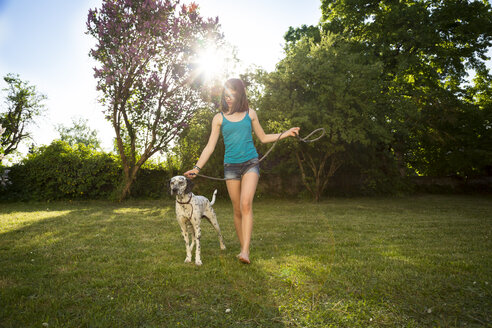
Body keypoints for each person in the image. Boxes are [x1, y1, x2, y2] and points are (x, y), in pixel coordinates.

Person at [184, 78, 300, 264]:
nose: (228, 98)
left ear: (239, 94)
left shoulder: (250, 114)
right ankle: (242, 248)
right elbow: (210, 147)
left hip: (250, 163)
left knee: (246, 204)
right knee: (237, 209)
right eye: (226, 95)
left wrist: (286, 133)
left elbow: (262, 137)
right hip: (230, 167)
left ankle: (245, 251)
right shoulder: (219, 118)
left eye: (232, 95)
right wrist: (197, 168)